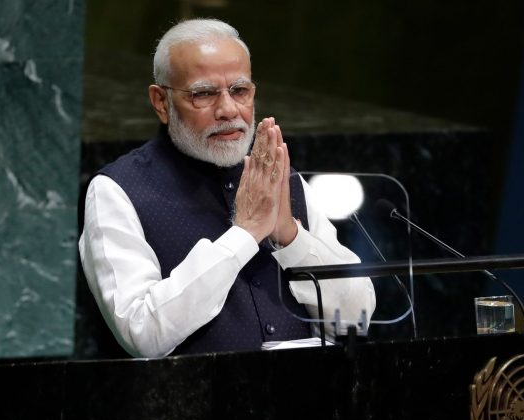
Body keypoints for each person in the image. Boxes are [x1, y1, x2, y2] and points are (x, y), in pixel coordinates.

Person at [79, 18, 376, 358]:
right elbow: (142, 332)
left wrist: (291, 236)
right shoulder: (117, 190)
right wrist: (244, 234)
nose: (228, 110)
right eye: (203, 94)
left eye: (239, 91)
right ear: (161, 102)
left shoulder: (281, 179)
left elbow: (358, 319)